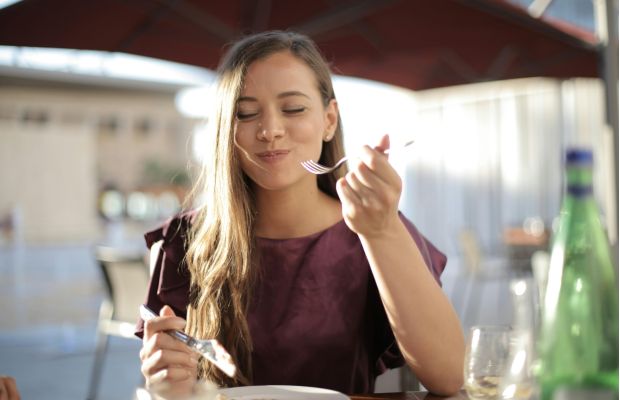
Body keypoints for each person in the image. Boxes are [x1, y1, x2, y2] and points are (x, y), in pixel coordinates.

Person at [136, 30, 465, 396]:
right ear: (225, 130)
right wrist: (164, 381)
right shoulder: (182, 241)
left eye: (293, 108)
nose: (270, 130)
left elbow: (449, 376)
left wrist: (381, 231)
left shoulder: (375, 228)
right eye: (245, 113)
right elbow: (166, 383)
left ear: (329, 120)